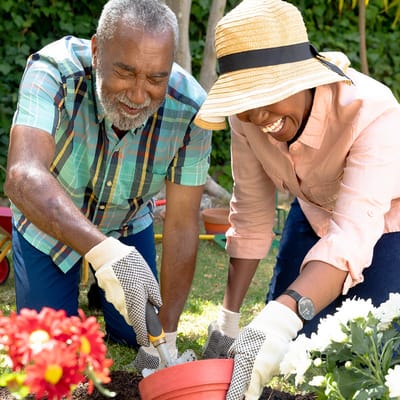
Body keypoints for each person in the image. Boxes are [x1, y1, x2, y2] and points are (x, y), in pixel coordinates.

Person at [194, 0, 400, 398]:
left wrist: (280, 318)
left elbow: (352, 234)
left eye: (266, 95)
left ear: (302, 78)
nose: (256, 117)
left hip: (385, 222)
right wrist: (229, 319)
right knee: (290, 345)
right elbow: (251, 212)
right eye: (244, 102)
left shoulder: (374, 112)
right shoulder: (246, 118)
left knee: (368, 349)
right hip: (313, 215)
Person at [5, 0, 211, 372]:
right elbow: (23, 175)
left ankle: (105, 289)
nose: (137, 94)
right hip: (48, 225)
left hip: (128, 223)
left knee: (141, 337)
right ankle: (103, 272)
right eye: (125, 71)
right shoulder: (53, 70)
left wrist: (168, 335)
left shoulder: (192, 108)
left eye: (155, 78)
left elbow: (181, 224)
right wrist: (103, 253)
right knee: (52, 353)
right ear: (97, 49)